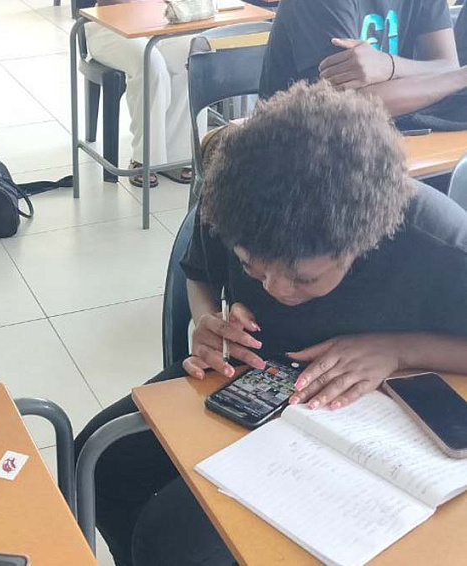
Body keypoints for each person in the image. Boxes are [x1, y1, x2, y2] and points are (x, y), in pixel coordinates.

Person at [76, 81, 467, 566]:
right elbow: (198, 275)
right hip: (253, 378)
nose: (277, 289)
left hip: (366, 419)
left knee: (175, 541)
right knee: (99, 461)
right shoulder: (238, 203)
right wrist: (207, 320)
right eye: (252, 268)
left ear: (363, 242)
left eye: (305, 278)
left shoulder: (438, 240)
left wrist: (397, 350)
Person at [259, 0, 462, 117]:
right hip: (300, 149)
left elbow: (447, 65)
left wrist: (390, 66)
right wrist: (459, 78)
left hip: (382, 136)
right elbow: (351, 103)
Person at [84, 0, 206, 188]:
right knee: (151, 64)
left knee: (191, 53)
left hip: (158, 21)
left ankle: (178, 156)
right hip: (110, 25)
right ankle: (145, 158)